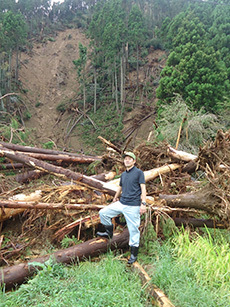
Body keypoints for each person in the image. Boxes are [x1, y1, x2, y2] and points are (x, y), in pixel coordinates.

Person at [96, 152, 147, 264]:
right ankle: (109, 233)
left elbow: (143, 189)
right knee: (103, 213)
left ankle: (133, 254)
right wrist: (115, 198)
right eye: (126, 159)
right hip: (121, 202)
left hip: (133, 205)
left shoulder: (139, 173)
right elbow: (120, 187)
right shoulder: (123, 175)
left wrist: (143, 204)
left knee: (133, 230)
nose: (127, 160)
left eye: (130, 159)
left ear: (134, 161)